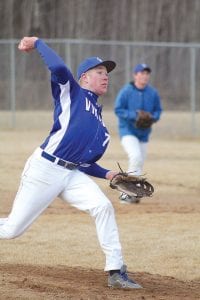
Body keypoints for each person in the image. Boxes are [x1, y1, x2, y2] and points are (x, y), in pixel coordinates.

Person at [0, 37, 142, 289]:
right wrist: (38, 43)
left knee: (103, 207)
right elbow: (59, 70)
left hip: (71, 174)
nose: (105, 76)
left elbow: (85, 163)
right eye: (99, 72)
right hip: (45, 168)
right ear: (84, 78)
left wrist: (109, 174)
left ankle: (116, 271)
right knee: (12, 230)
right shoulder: (72, 92)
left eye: (106, 73)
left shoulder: (101, 126)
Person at [114, 63, 162, 204]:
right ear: (135, 75)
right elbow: (118, 110)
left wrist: (152, 117)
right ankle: (126, 194)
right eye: (141, 73)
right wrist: (134, 115)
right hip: (128, 131)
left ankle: (135, 194)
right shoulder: (126, 91)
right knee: (135, 157)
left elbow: (158, 111)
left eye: (147, 73)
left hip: (144, 134)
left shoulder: (152, 93)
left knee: (139, 162)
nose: (144, 76)